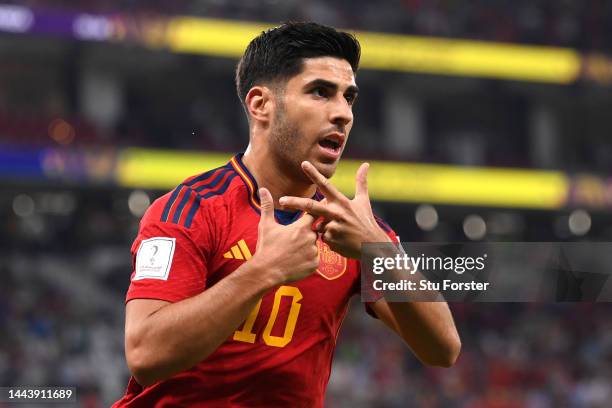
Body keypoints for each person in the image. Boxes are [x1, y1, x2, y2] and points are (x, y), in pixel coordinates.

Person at [113, 22, 460, 407]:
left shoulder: (353, 225)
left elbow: (442, 349)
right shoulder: (192, 209)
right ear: (261, 104)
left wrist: (378, 248)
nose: (343, 113)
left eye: (349, 97)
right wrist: (265, 271)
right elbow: (146, 355)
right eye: (320, 92)